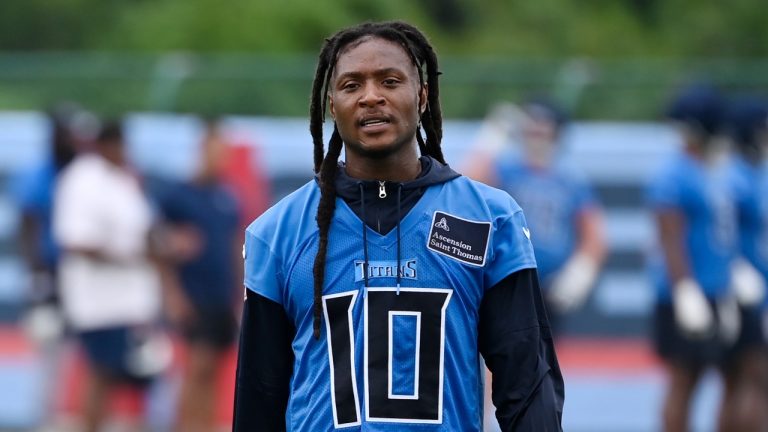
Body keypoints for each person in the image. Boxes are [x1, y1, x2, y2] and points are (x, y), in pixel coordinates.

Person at [233, 21, 563, 431]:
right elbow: (258, 401)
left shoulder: (489, 219)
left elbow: (526, 385)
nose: (371, 97)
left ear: (422, 95)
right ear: (332, 105)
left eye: (389, 81)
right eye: (352, 85)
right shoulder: (279, 232)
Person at [53, 121, 169, 432]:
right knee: (101, 371)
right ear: (107, 145)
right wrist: (128, 257)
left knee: (138, 375)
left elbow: (143, 229)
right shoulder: (82, 180)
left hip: (130, 299)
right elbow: (76, 241)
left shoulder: (123, 180)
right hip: (99, 300)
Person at [646, 84, 744, 432]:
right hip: (687, 291)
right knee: (684, 382)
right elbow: (670, 237)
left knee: (716, 378)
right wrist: (685, 289)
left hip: (715, 288)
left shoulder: (714, 168)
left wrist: (728, 287)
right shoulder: (675, 172)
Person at [465, 99, 605, 332]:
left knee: (543, 356)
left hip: (548, 282)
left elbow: (593, 232)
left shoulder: (571, 180)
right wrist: (491, 140)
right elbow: (466, 187)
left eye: (544, 124)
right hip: (506, 274)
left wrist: (581, 270)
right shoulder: (506, 169)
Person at [152, 119, 242, 432]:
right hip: (194, 293)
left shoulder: (226, 198)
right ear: (203, 150)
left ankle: (205, 425)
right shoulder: (178, 196)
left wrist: (240, 293)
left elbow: (235, 246)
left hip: (221, 295)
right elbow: (155, 241)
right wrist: (173, 293)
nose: (222, 157)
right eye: (217, 150)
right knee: (196, 365)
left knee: (215, 368)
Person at [723, 96, 768, 430]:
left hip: (754, 288)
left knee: (740, 382)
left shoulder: (751, 173)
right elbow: (724, 235)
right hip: (747, 291)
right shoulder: (735, 177)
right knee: (755, 379)